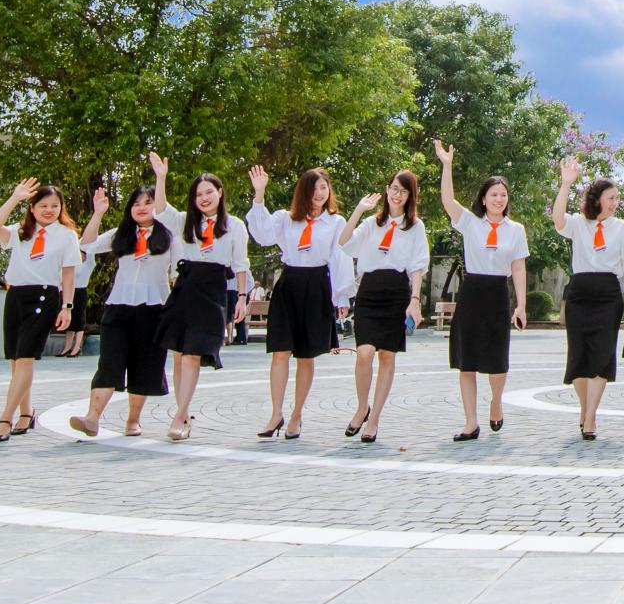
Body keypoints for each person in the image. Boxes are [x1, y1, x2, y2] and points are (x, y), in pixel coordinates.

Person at [70, 179, 174, 438]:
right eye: (136, 204)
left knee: (146, 364)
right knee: (109, 362)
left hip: (154, 308)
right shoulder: (121, 234)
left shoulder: (170, 235)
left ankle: (133, 420)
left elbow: (180, 268)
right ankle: (92, 418)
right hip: (119, 307)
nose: (141, 208)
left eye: (148, 203)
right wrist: (98, 213)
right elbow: (86, 246)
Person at [437, 141, 527, 440]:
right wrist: (446, 165)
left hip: (497, 293)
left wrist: (521, 306)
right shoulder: (471, 223)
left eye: (503, 194)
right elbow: (448, 200)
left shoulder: (516, 230)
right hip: (472, 291)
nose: (499, 199)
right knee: (468, 360)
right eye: (493, 194)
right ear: (484, 199)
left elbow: (518, 268)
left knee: (497, 359)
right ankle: (470, 421)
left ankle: (497, 402)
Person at [154, 156, 248, 442]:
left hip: (213, 289)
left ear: (220, 193)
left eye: (209, 192)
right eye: (198, 194)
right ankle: (183, 413)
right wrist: (161, 177)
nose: (204, 198)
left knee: (194, 353)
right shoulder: (185, 222)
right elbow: (160, 210)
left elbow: (241, 264)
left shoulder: (235, 226)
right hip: (186, 285)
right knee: (180, 354)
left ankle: (180, 415)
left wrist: (242, 298)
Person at [244, 166, 341, 439]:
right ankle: (276, 413)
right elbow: (262, 236)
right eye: (313, 188)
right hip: (290, 283)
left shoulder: (335, 222)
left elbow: (340, 257)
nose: (319, 193)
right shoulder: (285, 219)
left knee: (307, 356)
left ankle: (296, 415)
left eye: (323, 187)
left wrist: (341, 296)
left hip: (317, 284)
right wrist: (259, 194)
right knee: (280, 351)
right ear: (303, 192)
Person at [0, 179, 79, 442]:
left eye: (55, 206)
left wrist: (67, 307)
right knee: (15, 360)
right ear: (33, 208)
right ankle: (27, 412)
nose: (49, 210)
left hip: (44, 296)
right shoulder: (21, 231)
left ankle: (6, 417)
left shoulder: (67, 235)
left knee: (26, 357)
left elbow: (69, 275)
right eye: (43, 205)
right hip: (15, 295)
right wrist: (14, 198)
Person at [340, 167, 429, 444]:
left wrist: (414, 301)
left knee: (387, 356)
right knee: (364, 352)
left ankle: (374, 418)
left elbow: (417, 267)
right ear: (387, 189)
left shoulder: (415, 227)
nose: (396, 194)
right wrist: (359, 210)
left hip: (396, 292)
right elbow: (344, 244)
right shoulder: (371, 225)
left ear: (410, 196)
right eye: (393, 188)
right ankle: (361, 406)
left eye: (403, 190)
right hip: (370, 290)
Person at [551, 157, 624, 440]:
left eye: (616, 199)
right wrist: (566, 184)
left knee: (601, 356)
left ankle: (591, 417)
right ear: (596, 199)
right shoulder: (578, 224)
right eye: (611, 198)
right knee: (580, 356)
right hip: (580, 294)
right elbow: (557, 220)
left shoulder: (620, 227)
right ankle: (585, 410)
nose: (614, 203)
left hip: (608, 295)